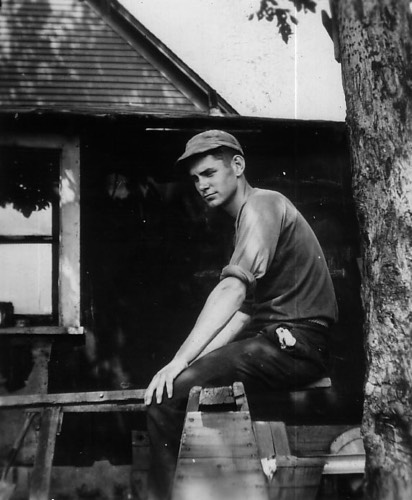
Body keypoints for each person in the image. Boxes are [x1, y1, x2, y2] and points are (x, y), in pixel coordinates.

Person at [144, 130, 338, 500]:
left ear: (237, 165)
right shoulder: (249, 217)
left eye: (209, 173)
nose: (202, 185)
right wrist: (191, 363)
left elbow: (232, 291)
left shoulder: (263, 206)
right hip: (280, 342)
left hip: (296, 345)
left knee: (166, 400)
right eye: (195, 179)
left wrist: (179, 361)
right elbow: (243, 314)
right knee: (181, 387)